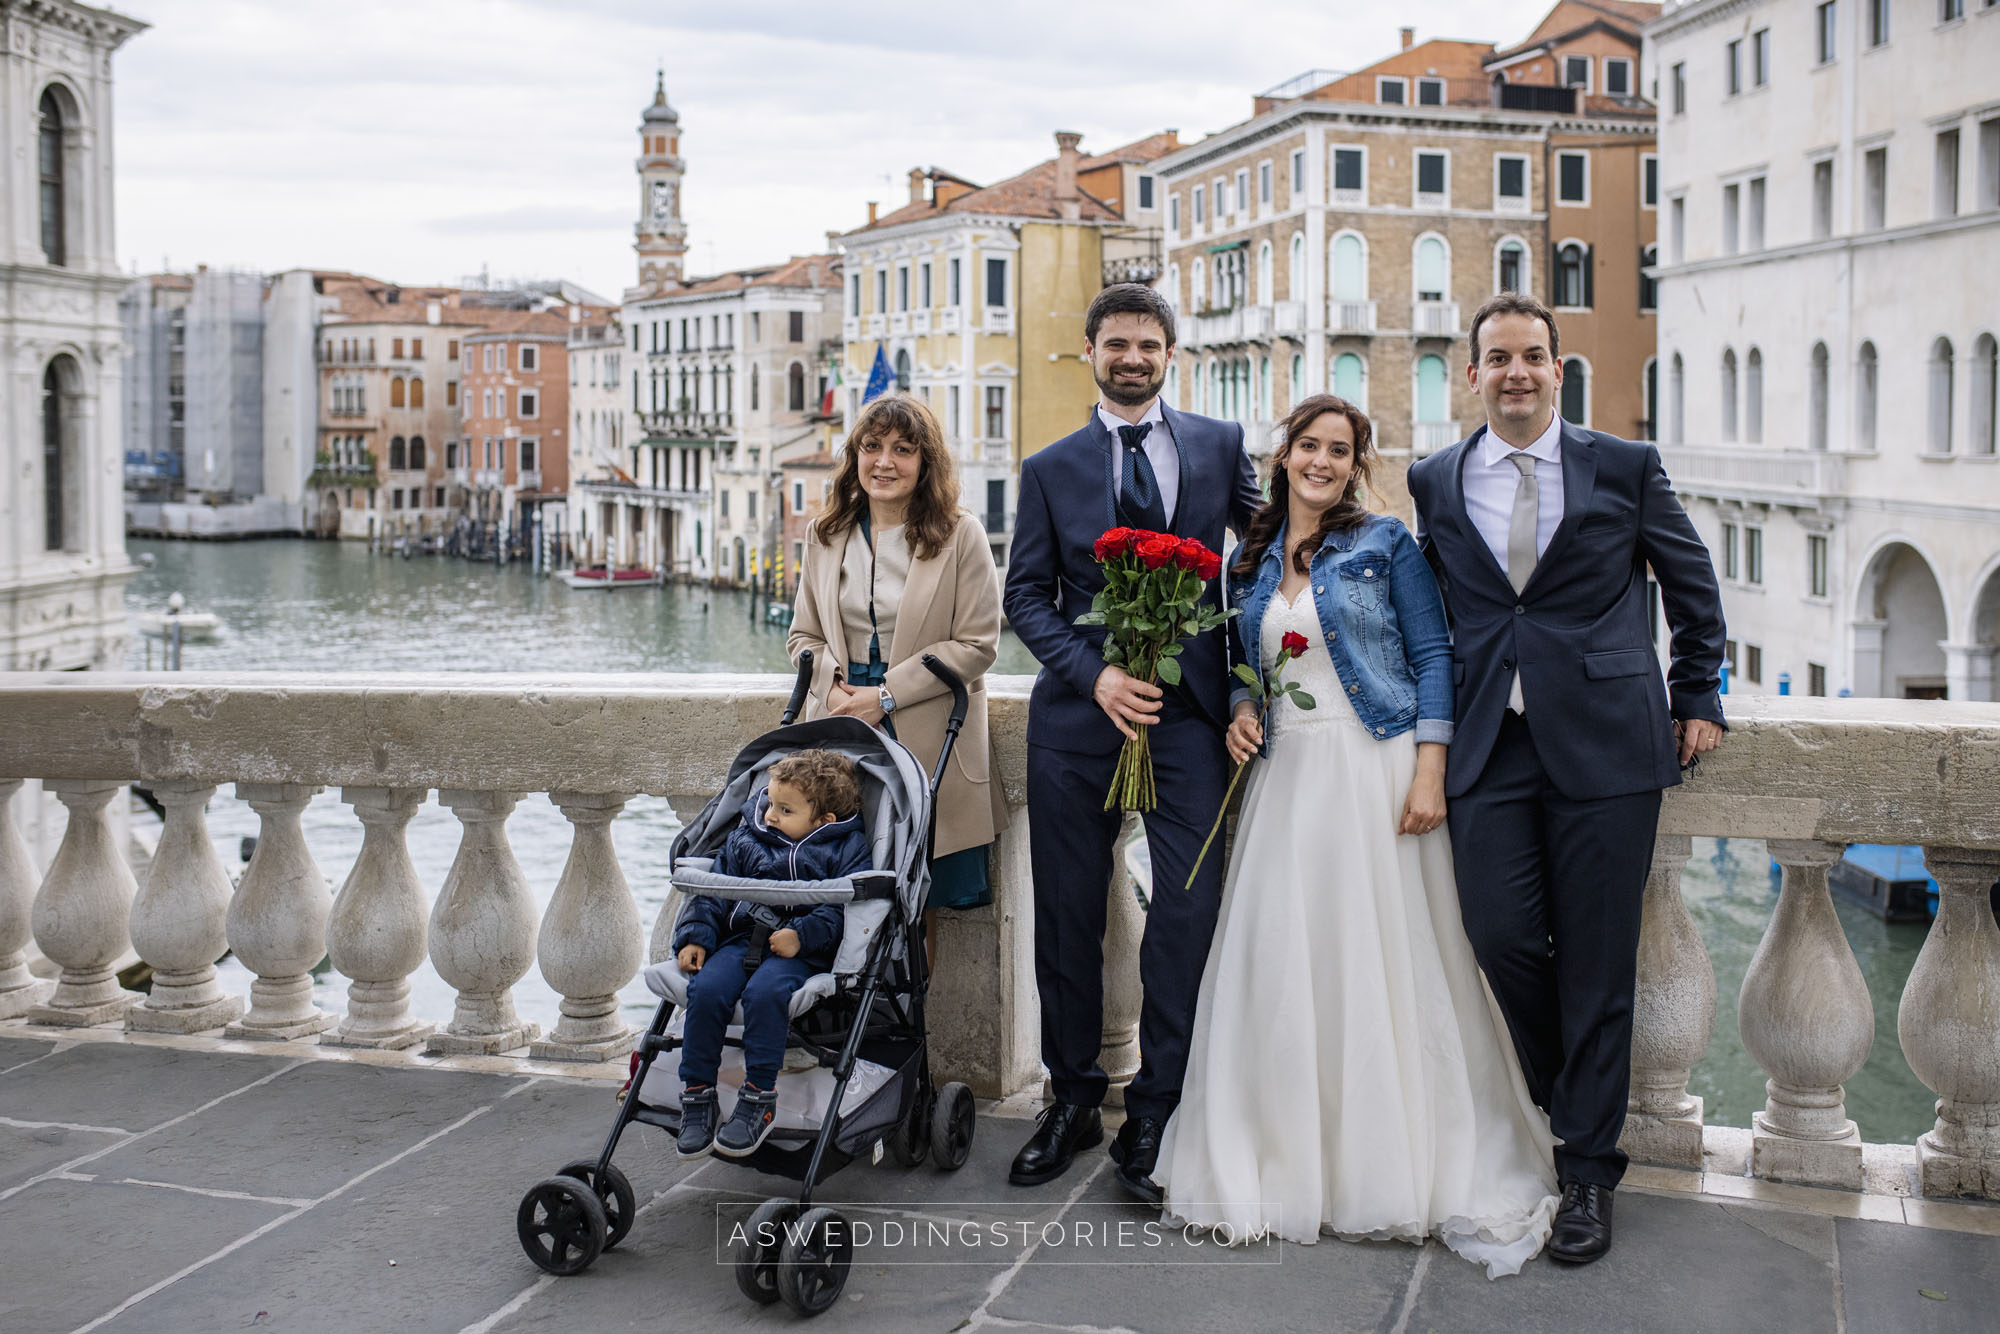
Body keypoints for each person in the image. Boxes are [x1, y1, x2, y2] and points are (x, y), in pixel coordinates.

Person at [1156, 395, 1560, 1277]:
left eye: (1340, 450)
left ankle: (1394, 1159)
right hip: (1286, 782)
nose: (1323, 462)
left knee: (1386, 963)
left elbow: (1433, 658)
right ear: (1285, 454)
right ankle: (1297, 1158)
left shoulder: (1387, 545)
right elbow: (1241, 664)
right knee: (1286, 963)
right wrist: (1237, 711)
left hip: (1374, 769)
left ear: (1356, 463)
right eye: (1310, 446)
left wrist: (1428, 770)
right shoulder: (1250, 558)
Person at [1407, 291, 1726, 1264]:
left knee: (1596, 958)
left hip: (1606, 740)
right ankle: (1558, 1088)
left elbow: (1690, 581)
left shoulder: (1622, 466)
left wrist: (1697, 691)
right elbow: (1431, 602)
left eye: (1531, 357)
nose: (1513, 372)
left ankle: (1587, 1166)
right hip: (1486, 742)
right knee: (1496, 931)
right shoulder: (1433, 477)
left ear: (1557, 367)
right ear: (1472, 373)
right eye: (1495, 357)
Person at [1001, 283, 1263, 1201]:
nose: (1133, 358)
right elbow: (1025, 596)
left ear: (1169, 354)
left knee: (1186, 916)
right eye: (1116, 344)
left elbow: (1265, 558)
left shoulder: (1223, 447)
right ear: (1091, 352)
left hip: (1193, 723)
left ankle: (1158, 1107)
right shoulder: (1047, 468)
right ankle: (1071, 1100)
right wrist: (1096, 674)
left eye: (1148, 345)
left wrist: (1246, 684)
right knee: (1068, 919)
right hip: (1078, 725)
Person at [789, 393, 1007, 936]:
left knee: (915, 913)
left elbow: (978, 644)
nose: (884, 462)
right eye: (872, 446)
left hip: (928, 733)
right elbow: (803, 636)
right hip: (839, 731)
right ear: (855, 455)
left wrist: (885, 695)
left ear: (925, 462)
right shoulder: (825, 534)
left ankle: (909, 1022)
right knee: (829, 894)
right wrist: (835, 686)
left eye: (903, 449)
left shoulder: (961, 535)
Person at [671, 749, 870, 1160]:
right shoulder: (749, 838)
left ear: (824, 821)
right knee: (706, 990)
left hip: (798, 953)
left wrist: (801, 935)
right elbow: (716, 890)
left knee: (765, 994)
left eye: (784, 809)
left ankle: (759, 1097)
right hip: (740, 939)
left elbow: (842, 912)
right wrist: (696, 937)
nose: (770, 816)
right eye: (769, 803)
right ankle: (697, 1092)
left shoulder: (843, 849)